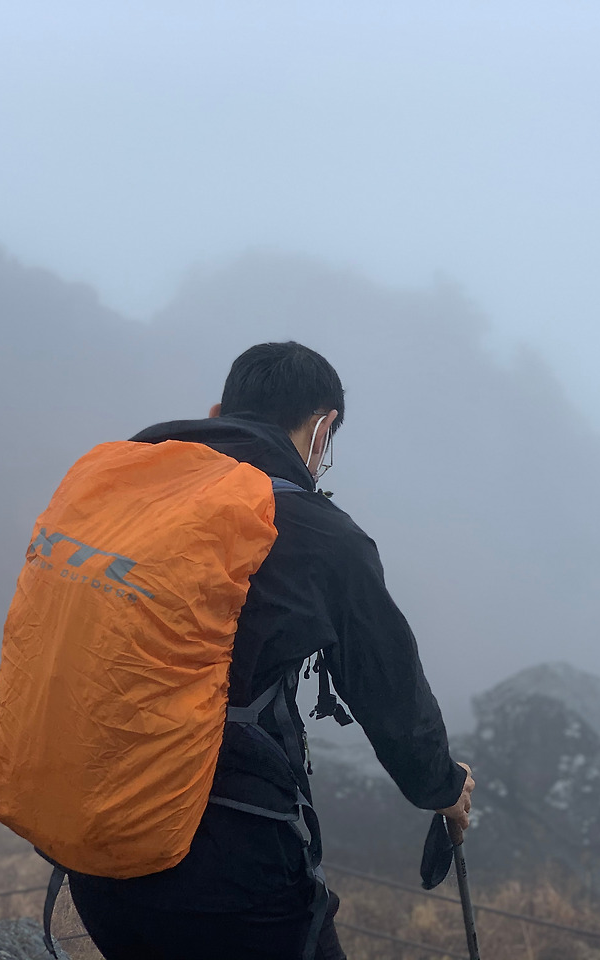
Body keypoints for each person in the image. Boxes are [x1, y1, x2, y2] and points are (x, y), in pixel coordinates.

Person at [66, 341, 476, 960]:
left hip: (93, 841)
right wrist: (443, 785)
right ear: (322, 429)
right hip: (226, 857)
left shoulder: (126, 494)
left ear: (217, 414)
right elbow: (387, 686)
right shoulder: (313, 531)